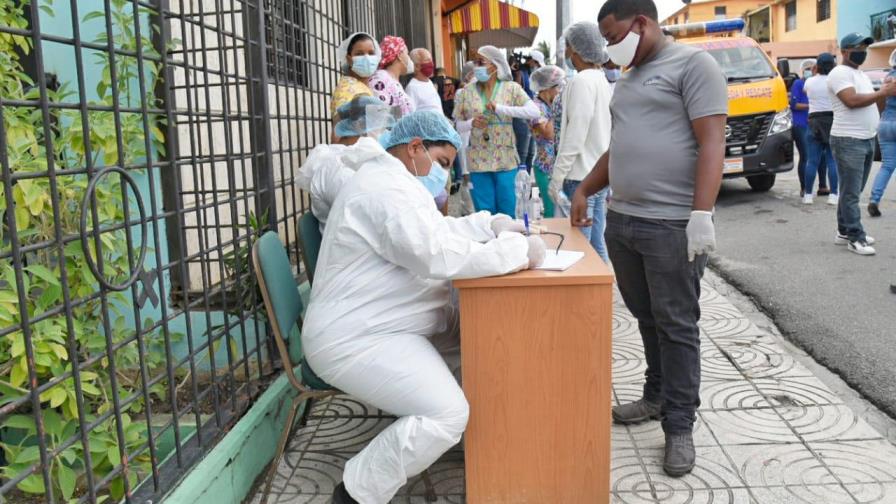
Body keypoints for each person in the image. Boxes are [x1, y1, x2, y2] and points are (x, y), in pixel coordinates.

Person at [301, 111, 545, 504]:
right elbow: (433, 253)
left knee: (477, 349)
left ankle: (493, 458)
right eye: (443, 162)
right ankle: (356, 494)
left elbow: (435, 231)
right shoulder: (383, 190)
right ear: (415, 147)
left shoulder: (396, 182)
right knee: (446, 414)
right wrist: (515, 252)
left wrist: (489, 224)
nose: (444, 174)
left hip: (381, 325)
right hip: (355, 339)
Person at [579, 0, 727, 477]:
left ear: (640, 23)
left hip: (670, 226)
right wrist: (585, 187)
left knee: (677, 325)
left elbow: (712, 142)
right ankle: (656, 395)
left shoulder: (693, 65)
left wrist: (701, 214)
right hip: (623, 221)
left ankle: (679, 425)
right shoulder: (630, 76)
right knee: (646, 318)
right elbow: (619, 145)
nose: (608, 46)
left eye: (612, 33)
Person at [549, 20, 613, 262]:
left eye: (566, 46)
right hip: (599, 175)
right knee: (596, 243)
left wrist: (557, 178)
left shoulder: (581, 81)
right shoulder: (601, 79)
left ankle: (591, 298)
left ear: (574, 49)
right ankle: (605, 296)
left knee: (579, 248)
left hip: (580, 179)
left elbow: (575, 134)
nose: (565, 52)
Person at [828, 33, 896, 255]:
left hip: (866, 138)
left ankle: (844, 231)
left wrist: (886, 92)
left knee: (852, 190)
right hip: (848, 140)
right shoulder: (839, 73)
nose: (863, 51)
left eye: (865, 47)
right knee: (851, 193)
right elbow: (851, 101)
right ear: (844, 51)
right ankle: (855, 238)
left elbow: (876, 103)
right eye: (858, 47)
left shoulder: (860, 74)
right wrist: (883, 92)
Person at [454, 45, 540, 216]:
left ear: (494, 65)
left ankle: (508, 242)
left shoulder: (511, 88)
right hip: (478, 161)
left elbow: (534, 111)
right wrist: (472, 123)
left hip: (505, 160)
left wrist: (500, 109)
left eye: (480, 62)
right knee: (485, 215)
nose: (476, 67)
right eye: (475, 63)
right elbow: (458, 125)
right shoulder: (466, 92)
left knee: (507, 211)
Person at [528, 65, 566, 218]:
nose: (560, 92)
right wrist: (557, 108)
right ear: (548, 88)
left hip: (561, 167)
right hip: (545, 167)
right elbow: (549, 134)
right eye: (558, 88)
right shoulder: (535, 107)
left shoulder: (551, 105)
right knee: (552, 211)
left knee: (564, 211)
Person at [804, 53, 838, 203]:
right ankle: (833, 195)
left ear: (817, 66)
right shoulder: (835, 81)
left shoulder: (809, 82)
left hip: (814, 121)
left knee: (812, 161)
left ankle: (807, 195)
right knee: (832, 160)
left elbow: (806, 91)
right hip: (832, 120)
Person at [331, 32, 380, 136]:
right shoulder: (348, 89)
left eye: (371, 53)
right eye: (359, 54)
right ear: (349, 59)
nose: (367, 58)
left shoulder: (365, 87)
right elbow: (339, 133)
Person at [868, 49, 896, 217]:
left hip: (885, 123)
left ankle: (874, 200)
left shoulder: (887, 78)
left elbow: (880, 100)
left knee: (887, 166)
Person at [368, 35, 415, 117]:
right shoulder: (380, 80)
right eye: (407, 54)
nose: (408, 58)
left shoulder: (391, 80)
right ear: (399, 55)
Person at [790, 59, 813, 197]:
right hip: (800, 124)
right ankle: (804, 187)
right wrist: (812, 105)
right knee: (805, 156)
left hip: (814, 123)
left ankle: (823, 185)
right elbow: (794, 104)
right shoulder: (798, 83)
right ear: (803, 70)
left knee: (821, 157)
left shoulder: (817, 83)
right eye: (807, 68)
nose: (810, 70)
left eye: (812, 68)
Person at [405, 48, 442, 113]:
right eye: (427, 60)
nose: (431, 63)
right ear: (416, 66)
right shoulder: (412, 88)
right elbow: (409, 115)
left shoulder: (429, 82)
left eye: (431, 60)